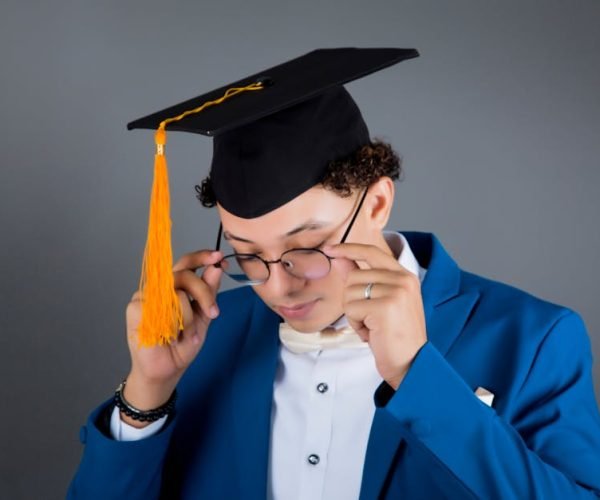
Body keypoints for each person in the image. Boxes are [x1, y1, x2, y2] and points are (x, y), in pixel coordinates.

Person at [68, 48, 600, 499]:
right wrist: (146, 392)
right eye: (246, 255)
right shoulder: (206, 336)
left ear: (376, 204)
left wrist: (419, 376)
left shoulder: (533, 338)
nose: (277, 287)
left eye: (307, 247)